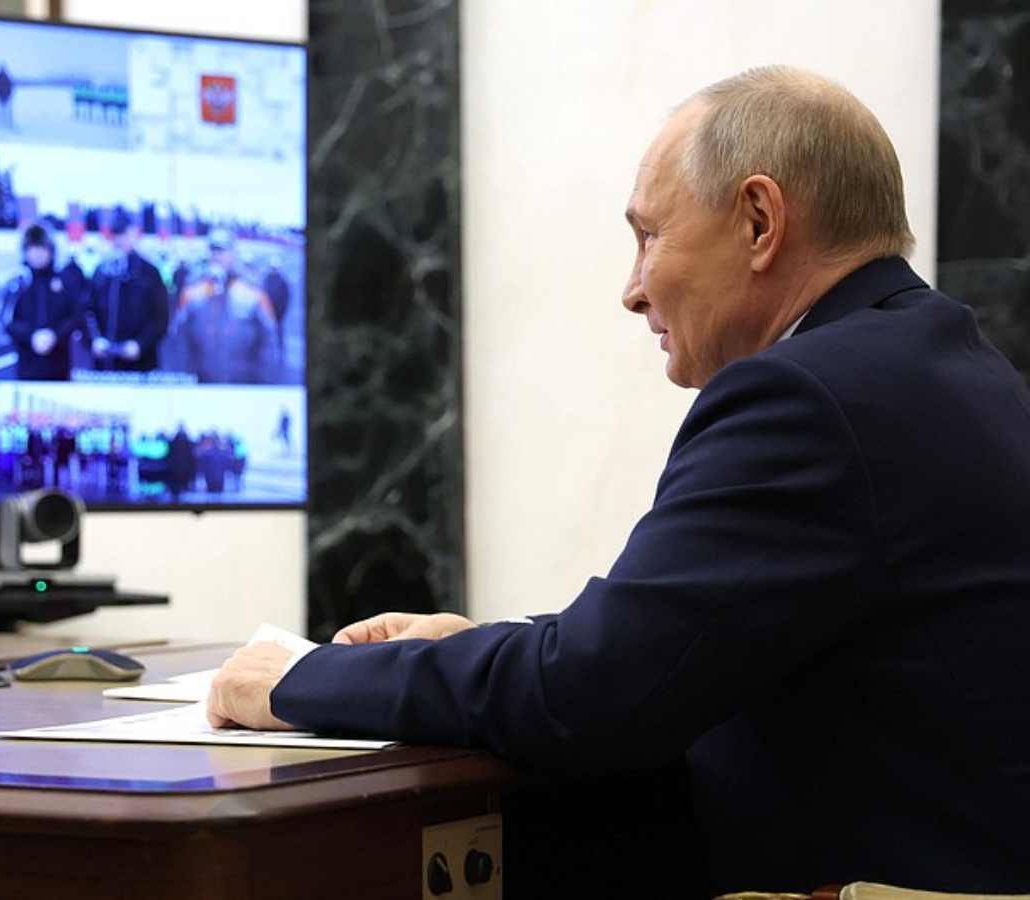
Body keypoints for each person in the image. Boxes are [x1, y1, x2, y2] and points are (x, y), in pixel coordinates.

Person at [207, 66, 1030, 894]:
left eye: (649, 236)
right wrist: (471, 647)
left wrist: (303, 680)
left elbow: (591, 696)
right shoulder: (951, 365)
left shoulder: (804, 397)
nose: (632, 290)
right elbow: (677, 644)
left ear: (759, 221)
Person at [175, 228, 279, 383]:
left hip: (244, 383)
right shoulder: (191, 292)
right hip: (203, 382)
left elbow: (269, 340)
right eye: (213, 251)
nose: (217, 256)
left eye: (222, 251)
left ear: (233, 253)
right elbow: (180, 339)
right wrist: (184, 380)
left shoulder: (253, 292)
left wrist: (264, 383)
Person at [86, 208, 169, 373]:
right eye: (116, 235)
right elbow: (87, 311)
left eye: (124, 234)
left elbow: (161, 318)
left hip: (142, 362)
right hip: (106, 363)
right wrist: (95, 339)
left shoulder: (149, 272)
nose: (120, 240)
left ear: (134, 234)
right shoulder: (102, 271)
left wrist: (141, 344)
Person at [2, 224, 83, 380]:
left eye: (42, 248)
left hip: (60, 366)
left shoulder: (64, 281)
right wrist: (31, 336)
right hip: (27, 367)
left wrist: (55, 335)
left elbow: (75, 316)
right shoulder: (18, 284)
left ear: (51, 251)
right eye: (32, 249)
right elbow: (7, 320)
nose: (37, 254)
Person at [0, 63, 14, 129]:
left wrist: (9, 94)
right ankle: (1, 122)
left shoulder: (6, 76)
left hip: (5, 96)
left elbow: (9, 86)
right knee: (1, 110)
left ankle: (7, 122)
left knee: (6, 110)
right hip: (2, 96)